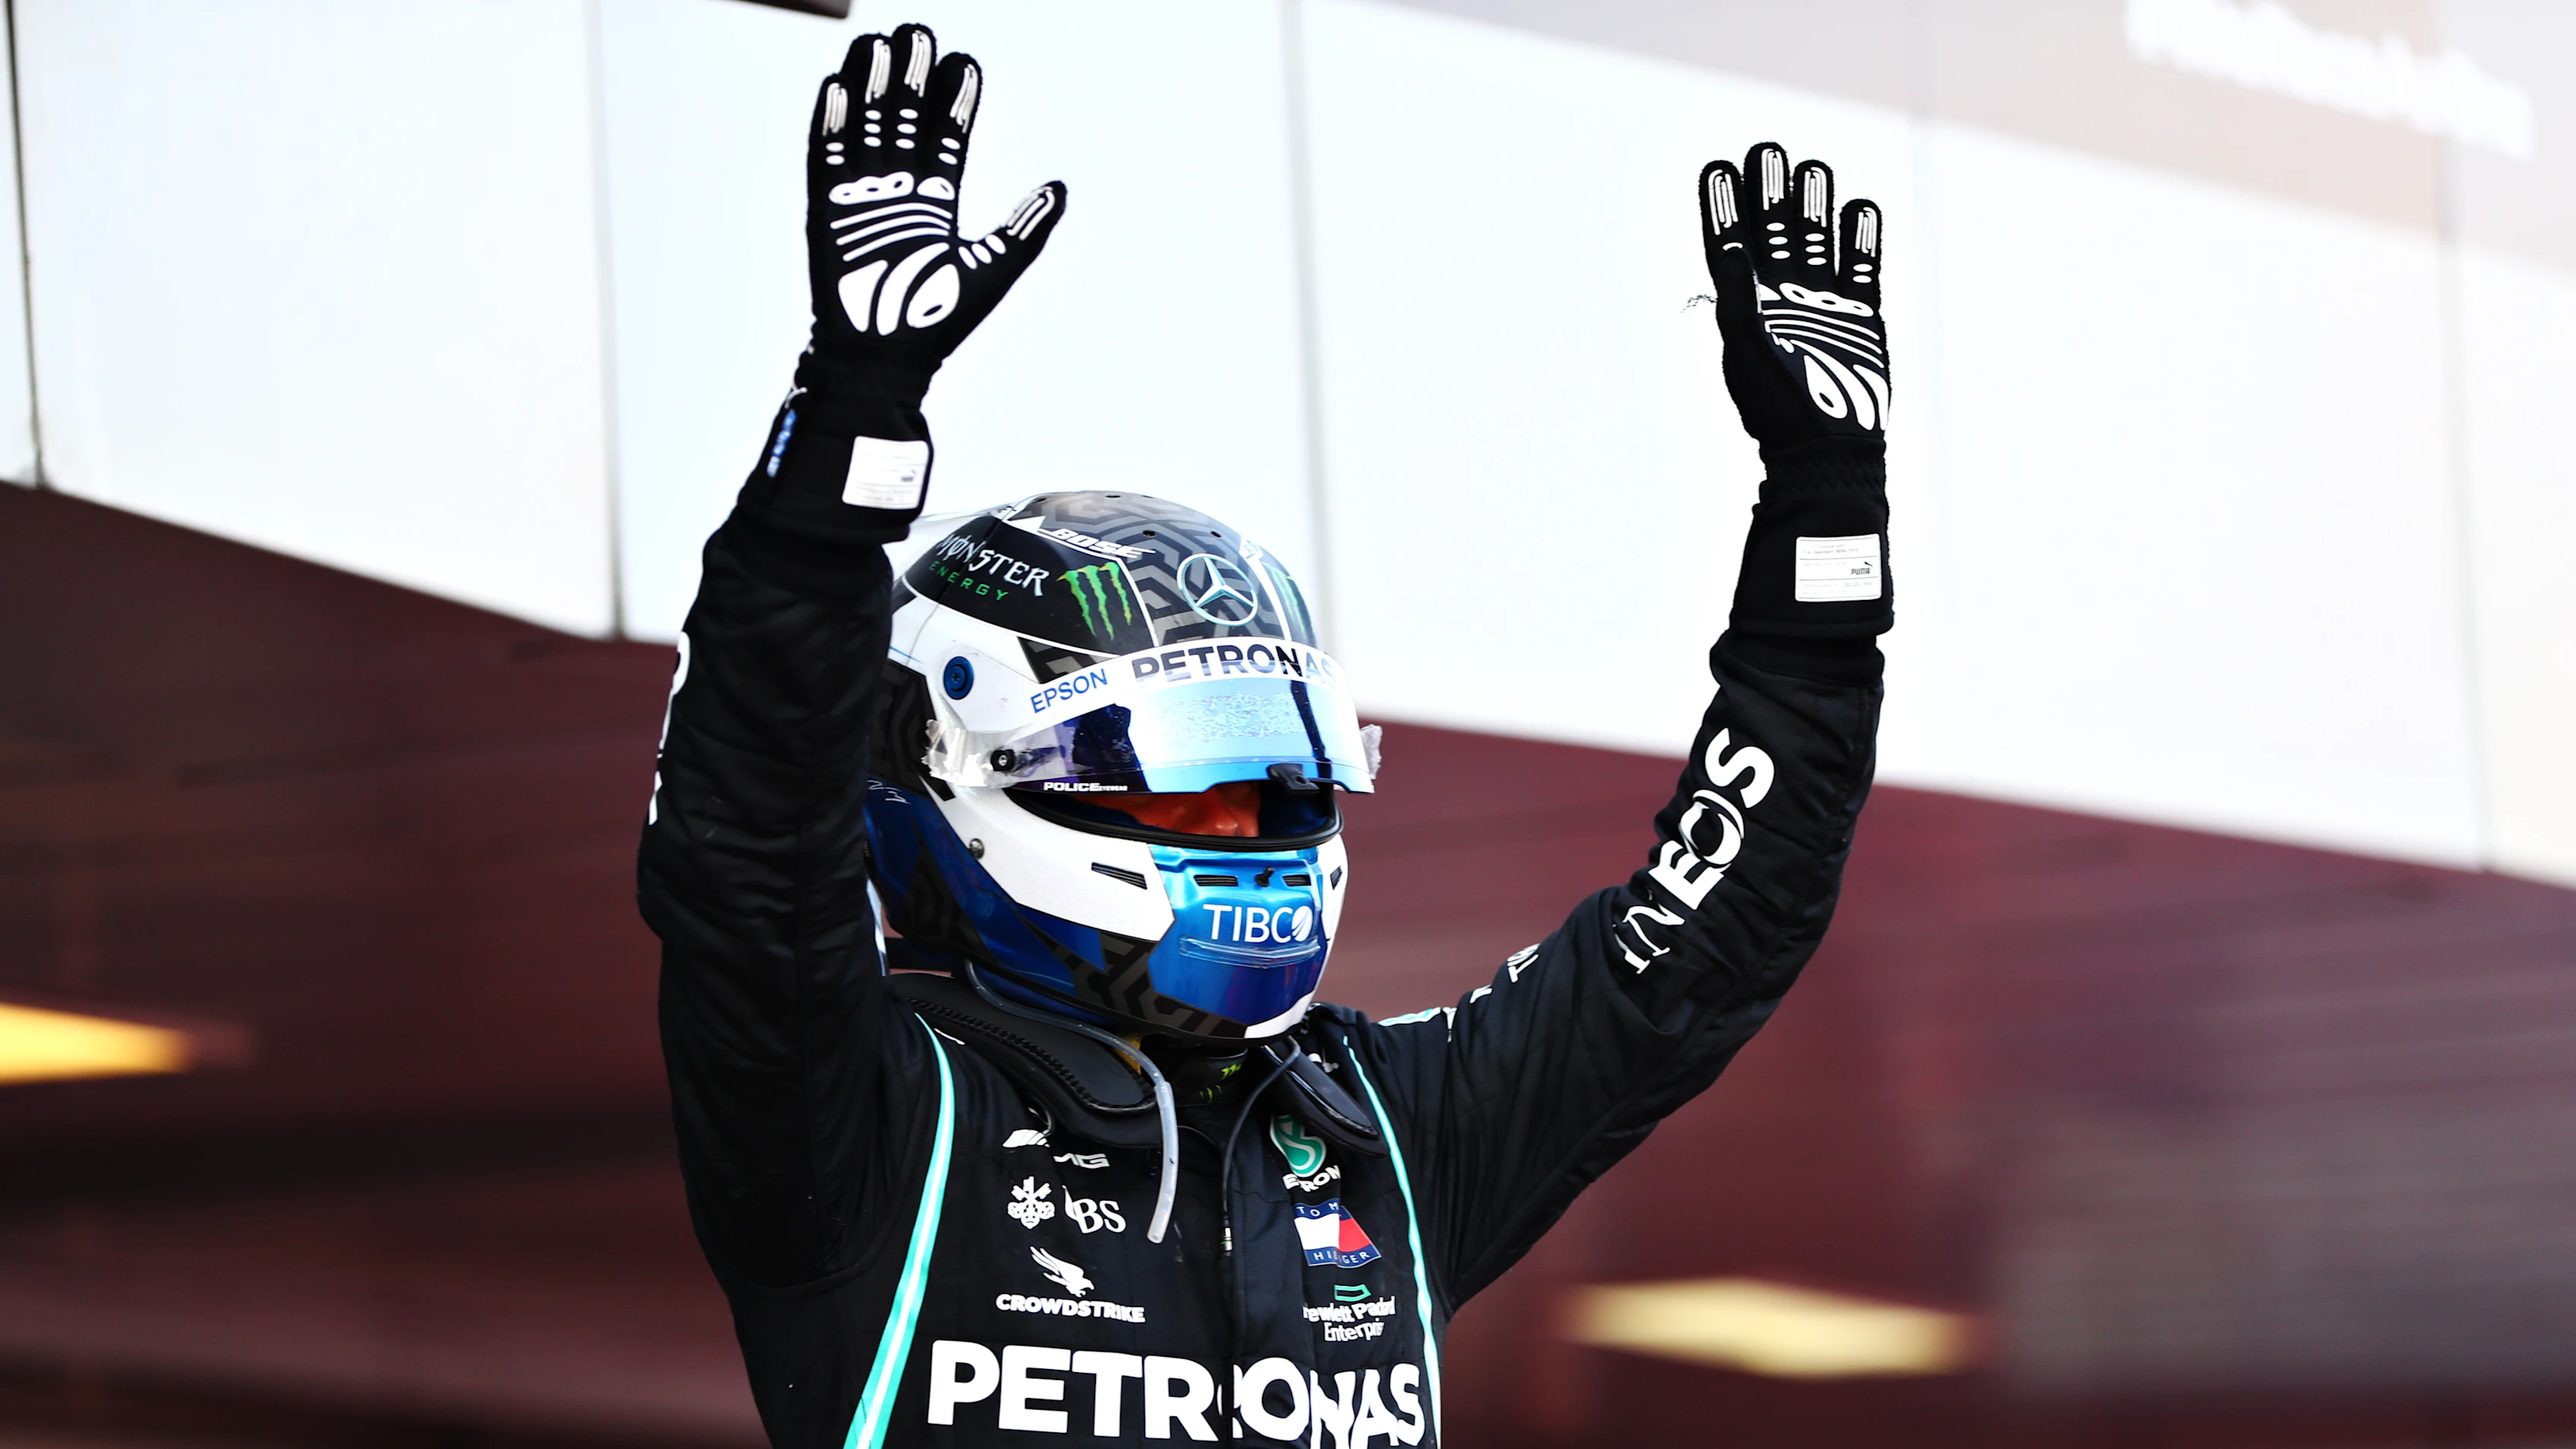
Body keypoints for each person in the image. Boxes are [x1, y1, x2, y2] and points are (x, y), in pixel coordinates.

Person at [639, 24, 1891, 1449]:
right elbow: (744, 861)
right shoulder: (865, 1123)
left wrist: (1827, 500)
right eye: (1185, 782)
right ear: (963, 772)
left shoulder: (1384, 1132)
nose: (1247, 826)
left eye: (1278, 779)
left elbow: (1714, 935)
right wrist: (853, 422)